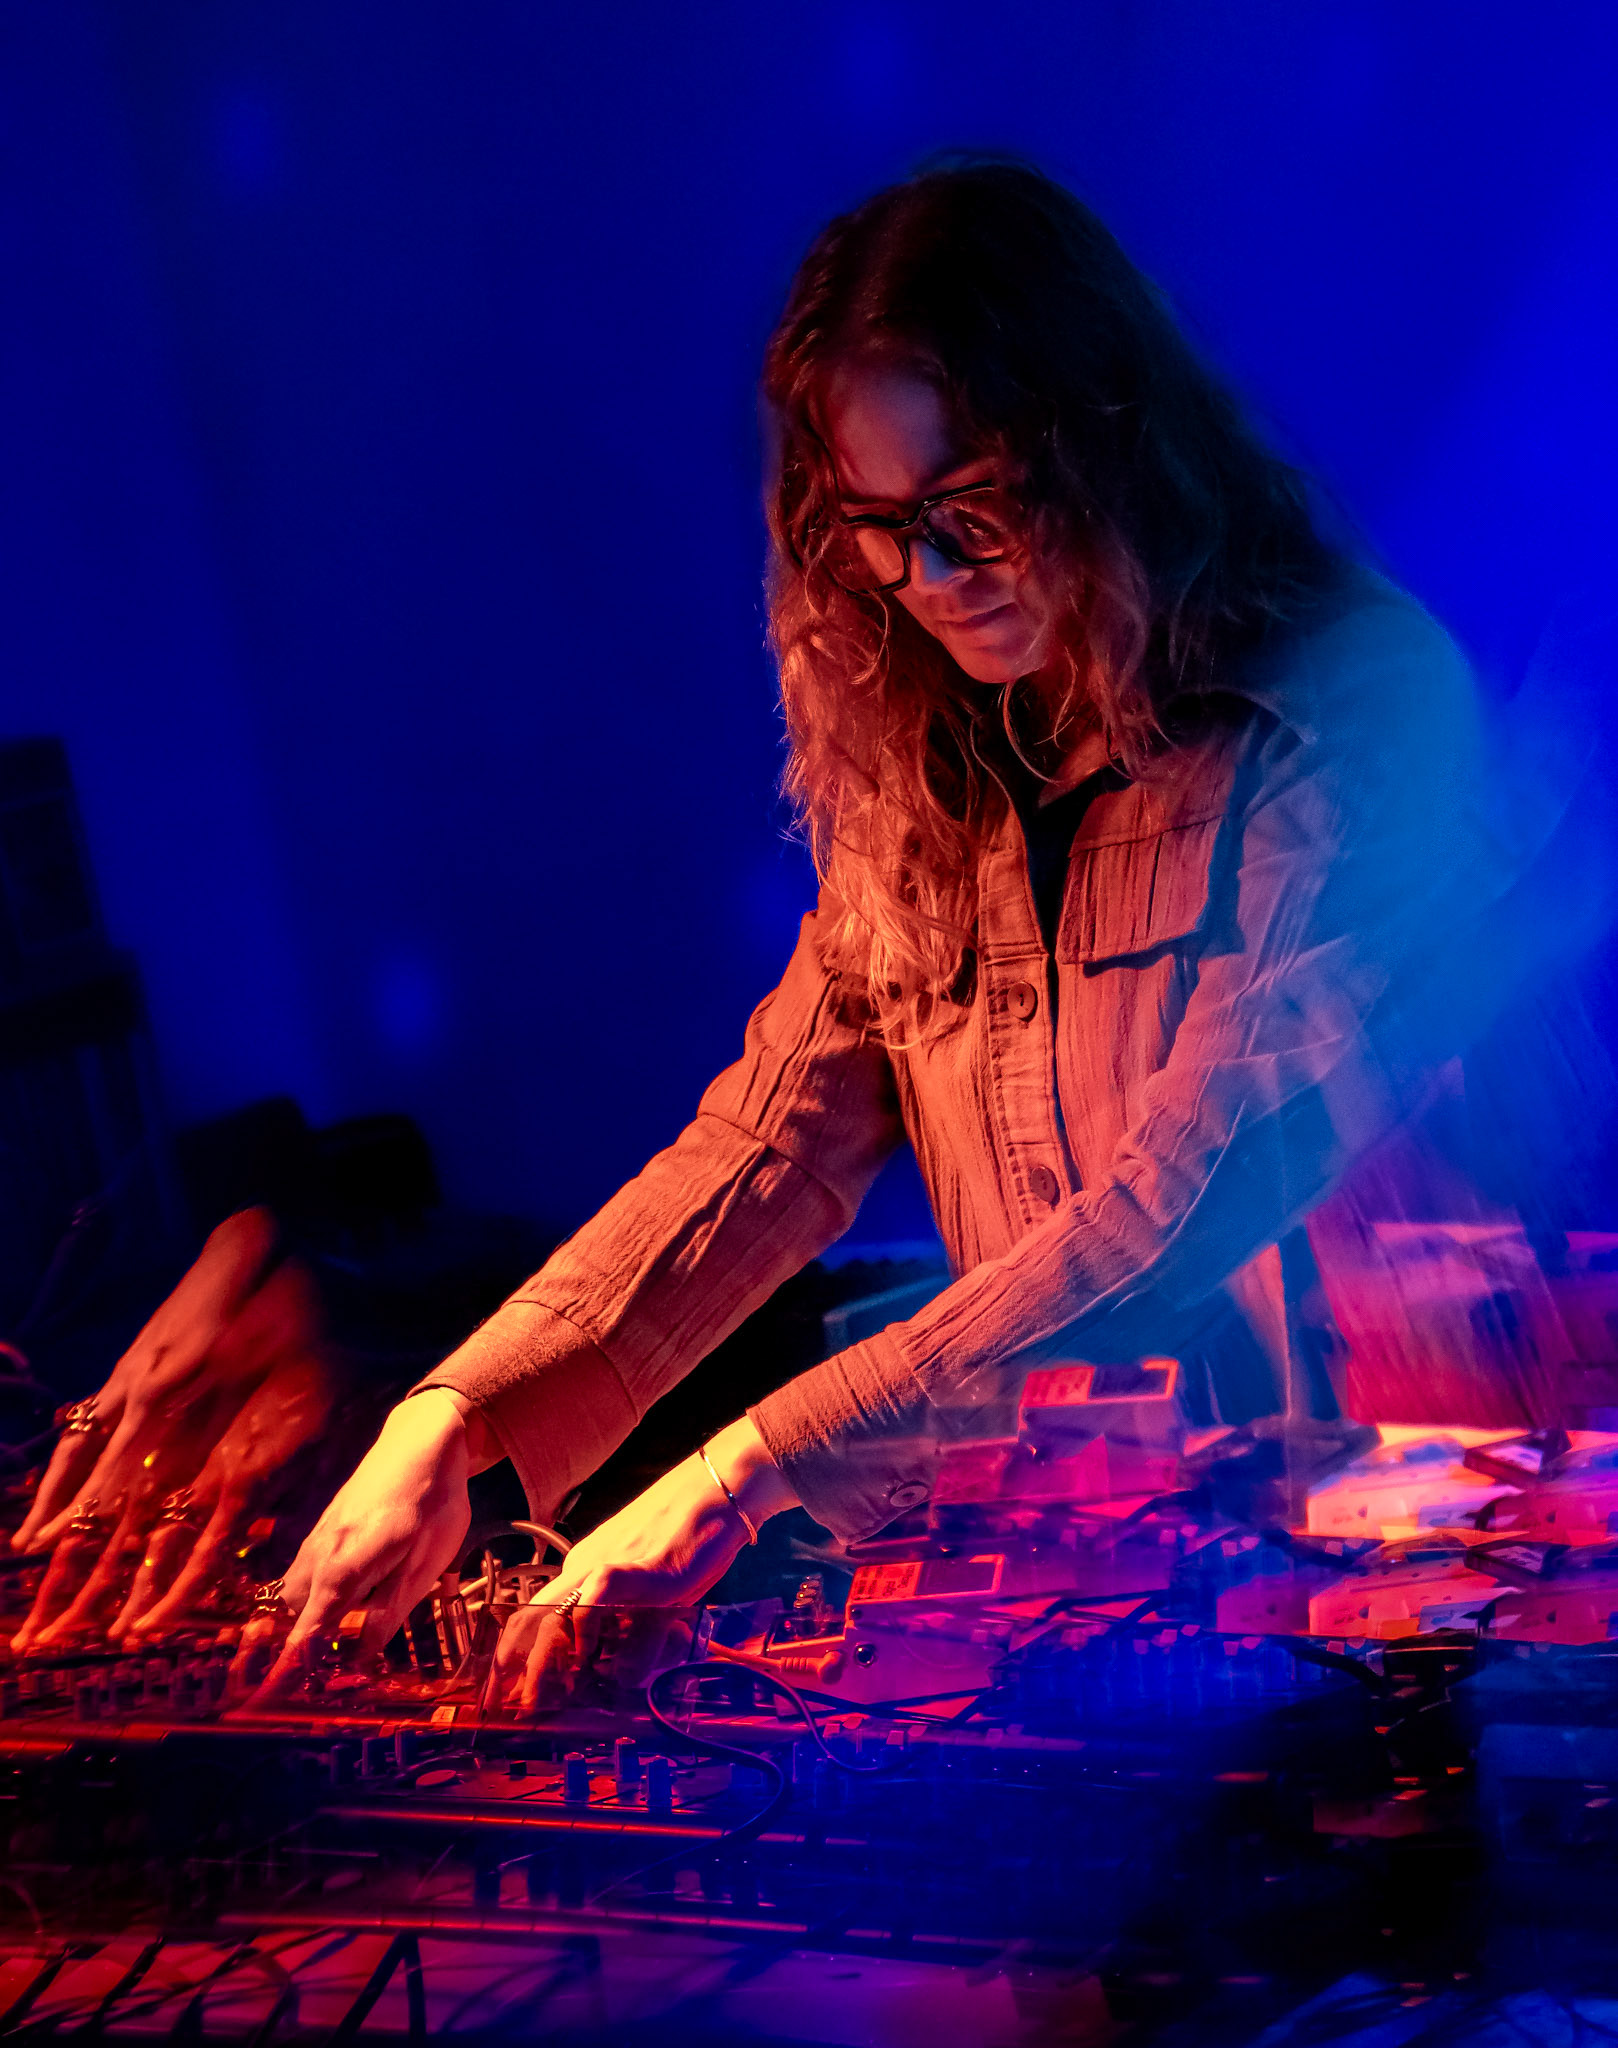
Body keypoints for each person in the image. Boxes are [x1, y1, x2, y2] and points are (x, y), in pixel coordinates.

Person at [15, 161, 1535, 1704]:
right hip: (1086, 1578)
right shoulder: (931, 753)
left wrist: (746, 1468)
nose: (926, 579)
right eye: (876, 524)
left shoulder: (1355, 699)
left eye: (974, 508)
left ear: (1108, 443)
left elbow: (1179, 1206)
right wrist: (452, 1421)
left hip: (1365, 1572)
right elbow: (768, 1143)